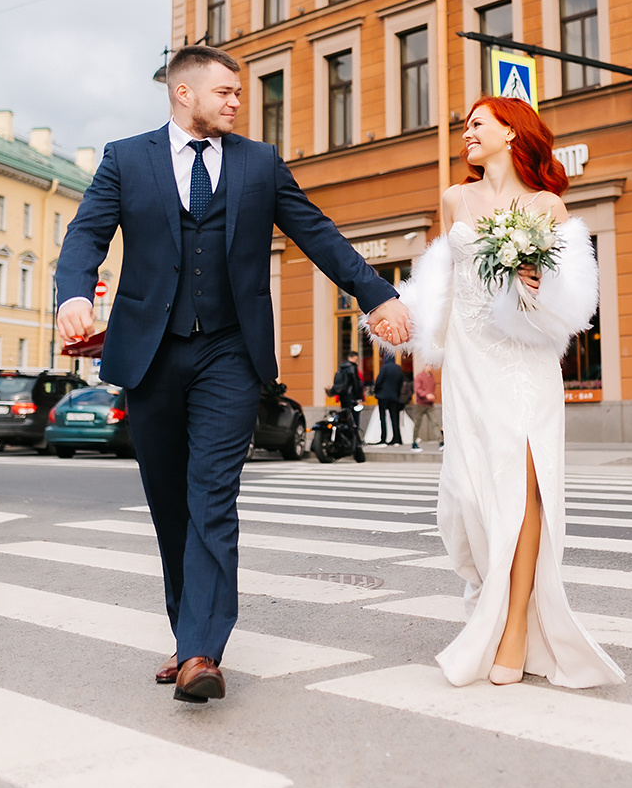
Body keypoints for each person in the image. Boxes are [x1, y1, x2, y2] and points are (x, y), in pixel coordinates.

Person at [55, 45, 410, 704]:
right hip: (152, 355)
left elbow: (316, 232)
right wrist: (74, 294)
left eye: (238, 93)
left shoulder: (259, 162)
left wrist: (376, 295)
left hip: (230, 353)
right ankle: (186, 631)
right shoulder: (126, 158)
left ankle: (201, 652)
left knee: (212, 498)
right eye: (225, 92)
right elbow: (86, 234)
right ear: (183, 93)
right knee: (171, 505)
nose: (237, 103)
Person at [372, 96, 624, 690]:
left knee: (525, 492)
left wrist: (537, 285)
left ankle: (512, 627)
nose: (466, 133)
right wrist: (407, 325)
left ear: (511, 133)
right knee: (469, 494)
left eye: (477, 124)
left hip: (526, 364)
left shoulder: (547, 206)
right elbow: (442, 284)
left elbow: (569, 305)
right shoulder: (454, 200)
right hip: (468, 364)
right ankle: (494, 599)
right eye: (465, 125)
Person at [410, 364, 442, 452]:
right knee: (417, 424)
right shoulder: (419, 376)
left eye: (431, 366)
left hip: (430, 405)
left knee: (435, 423)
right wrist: (426, 395)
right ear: (425, 366)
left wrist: (433, 396)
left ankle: (440, 441)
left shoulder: (432, 377)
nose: (430, 367)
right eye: (429, 365)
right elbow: (418, 389)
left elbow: (432, 388)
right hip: (420, 404)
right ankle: (414, 442)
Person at [373, 355, 404, 446]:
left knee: (383, 418)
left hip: (383, 396)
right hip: (394, 396)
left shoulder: (384, 368)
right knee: (395, 418)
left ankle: (383, 438)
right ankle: (397, 438)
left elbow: (379, 381)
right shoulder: (398, 368)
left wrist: (376, 391)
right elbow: (401, 382)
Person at [331, 350, 364, 430]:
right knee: (354, 419)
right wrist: (359, 398)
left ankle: (346, 433)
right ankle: (354, 434)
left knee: (345, 418)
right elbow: (356, 384)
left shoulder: (341, 368)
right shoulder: (353, 368)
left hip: (343, 397)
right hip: (352, 398)